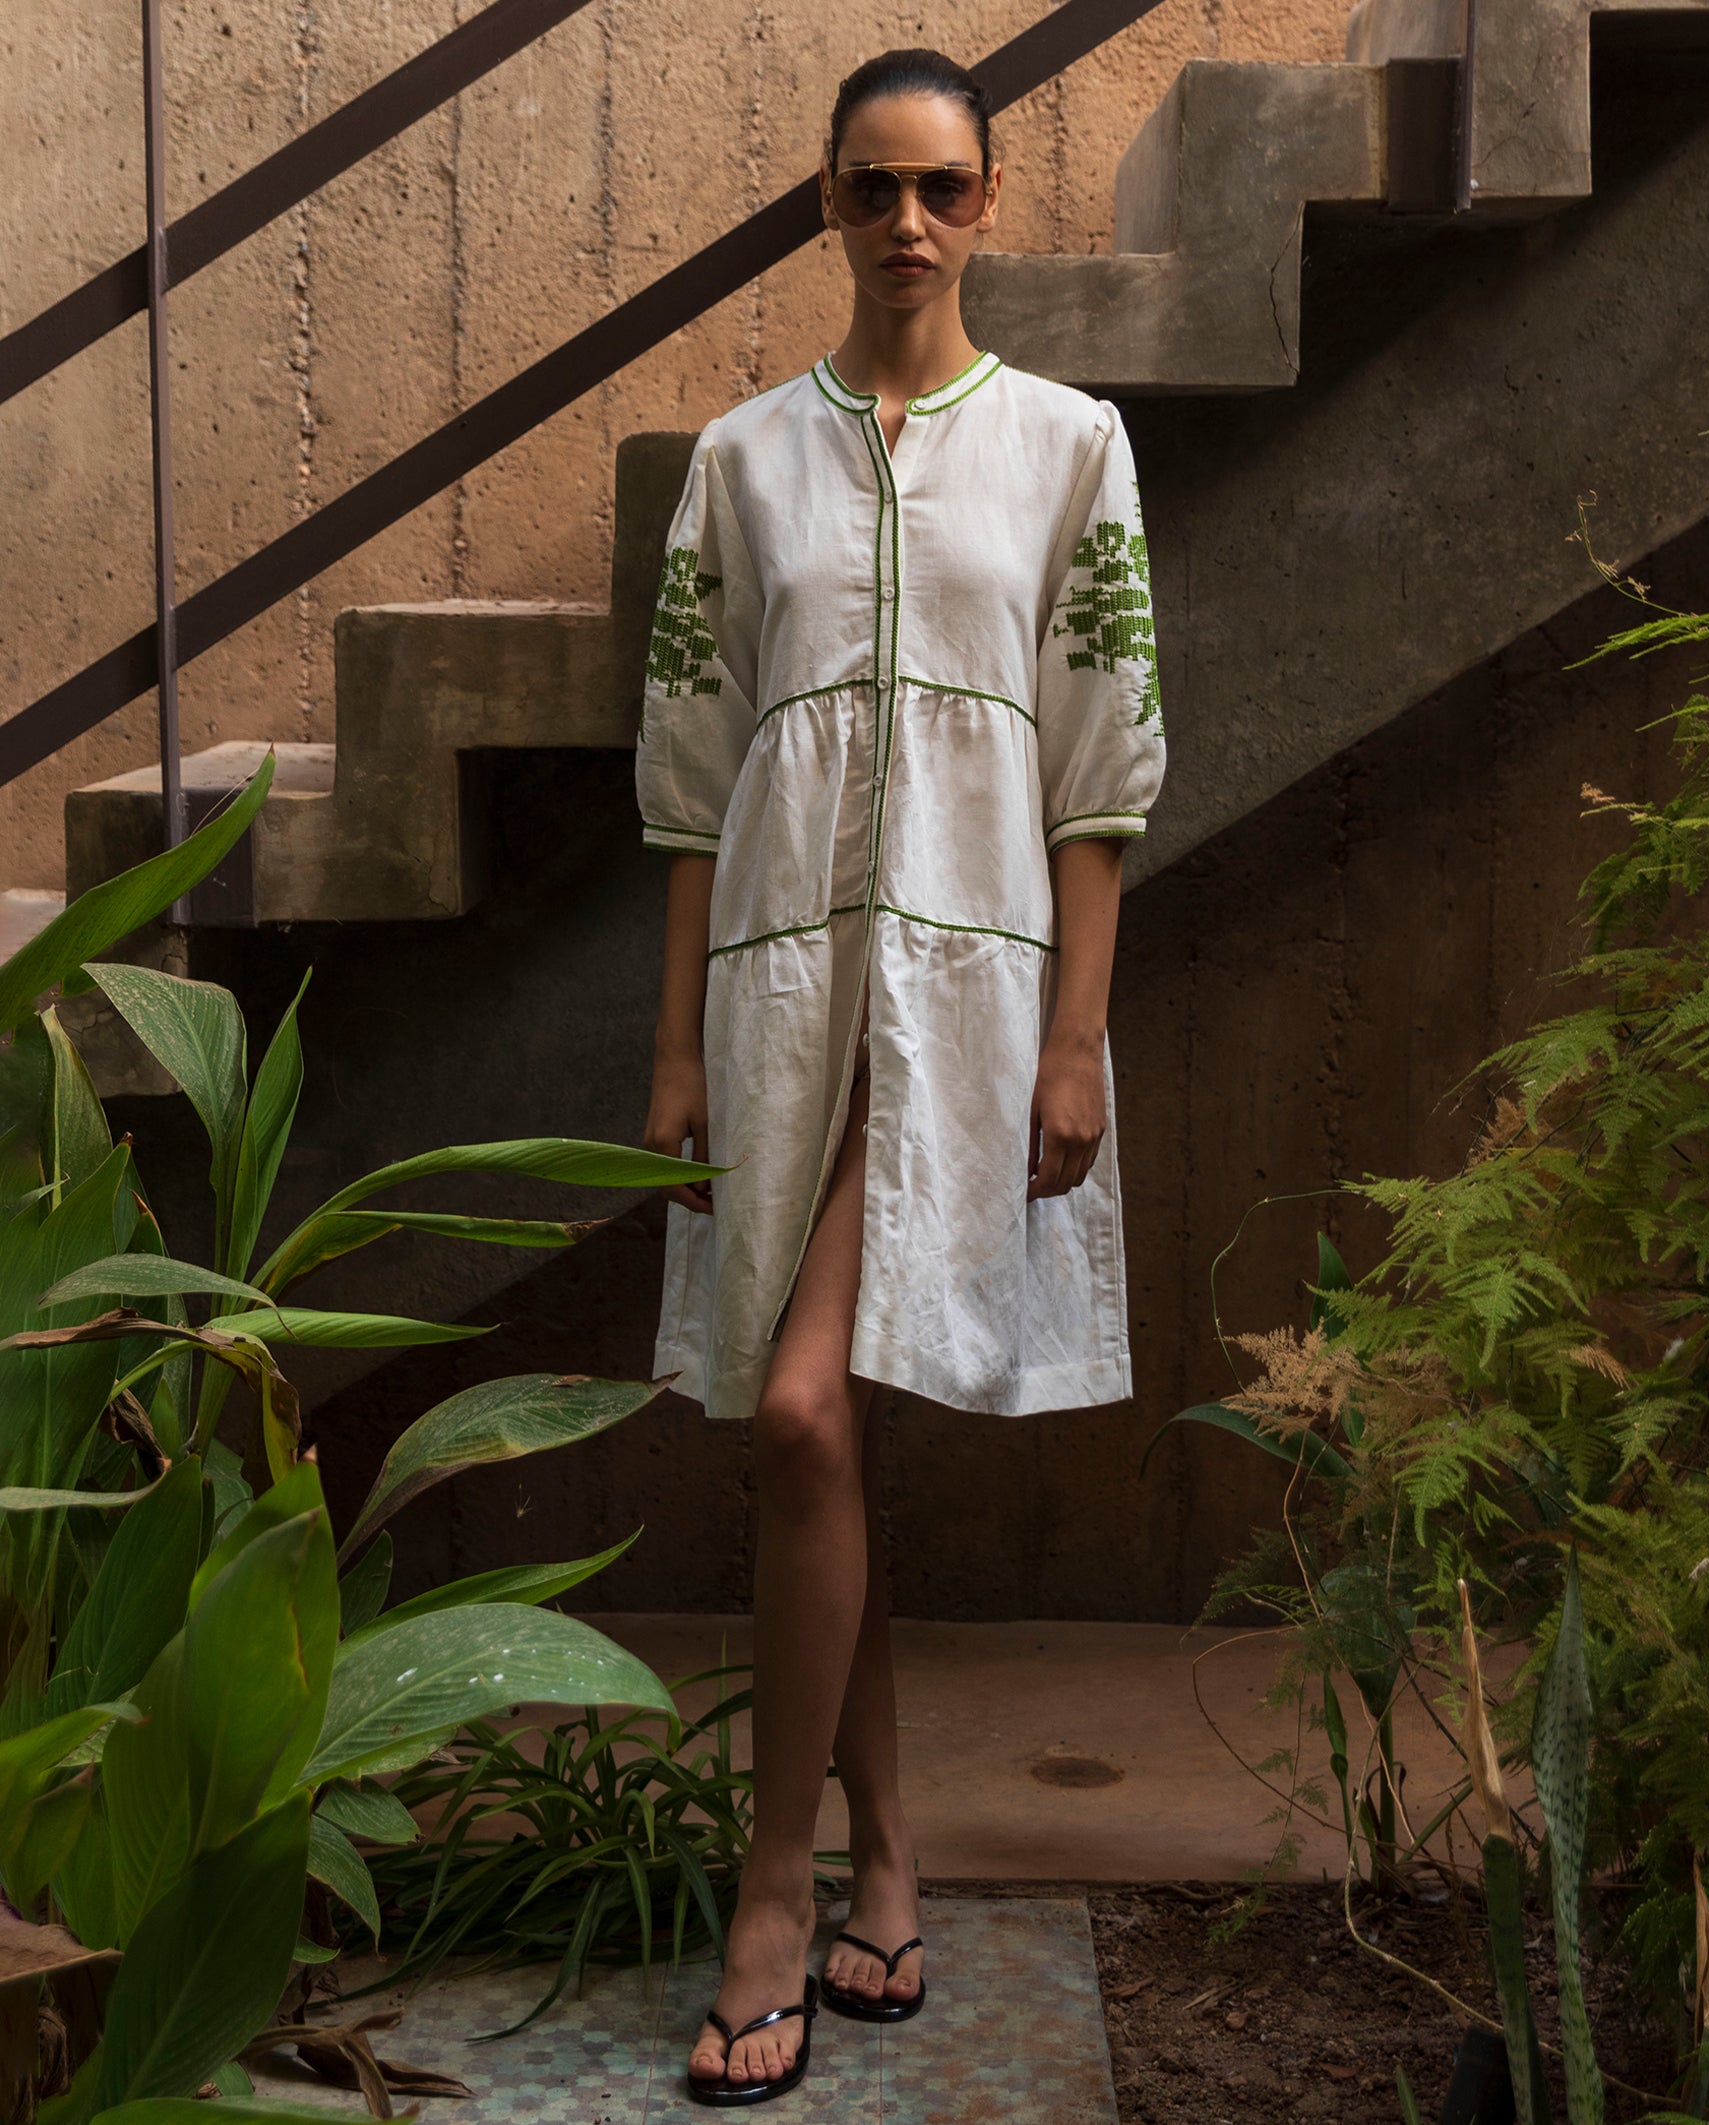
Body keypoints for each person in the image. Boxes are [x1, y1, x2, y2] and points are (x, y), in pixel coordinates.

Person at [637, 45, 1166, 2106]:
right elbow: (687, 783)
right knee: (818, 1437)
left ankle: (771, 1882)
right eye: (871, 190)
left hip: (960, 1003)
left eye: (939, 188)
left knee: (788, 1411)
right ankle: (888, 1856)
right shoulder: (736, 463)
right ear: (825, 206)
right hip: (777, 997)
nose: (907, 226)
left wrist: (1075, 1035)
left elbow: (1101, 758)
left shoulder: (1067, 449)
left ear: (990, 194)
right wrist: (674, 1041)